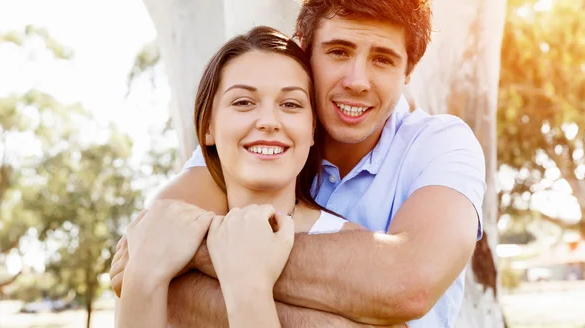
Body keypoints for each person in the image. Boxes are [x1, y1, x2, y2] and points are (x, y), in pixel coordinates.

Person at [113, 0, 485, 327]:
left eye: (383, 59)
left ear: (409, 70)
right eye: (338, 51)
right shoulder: (258, 140)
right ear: (304, 47)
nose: (357, 81)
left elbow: (409, 284)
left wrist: (209, 254)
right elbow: (141, 259)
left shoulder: (441, 144)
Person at [113, 26, 386, 327]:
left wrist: (248, 288)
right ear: (208, 128)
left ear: (311, 130)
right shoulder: (159, 238)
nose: (268, 121)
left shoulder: (358, 252)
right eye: (243, 102)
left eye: (290, 104)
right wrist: (143, 277)